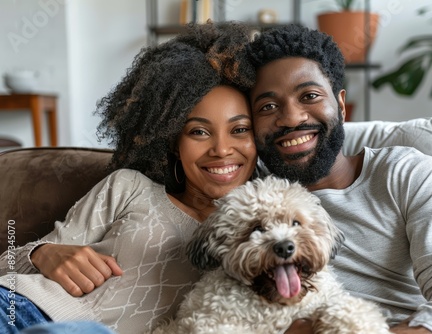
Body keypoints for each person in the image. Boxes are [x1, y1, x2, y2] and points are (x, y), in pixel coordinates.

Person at [237, 24, 432, 334]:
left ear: (341, 105)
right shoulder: (245, 197)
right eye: (268, 106)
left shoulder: (408, 174)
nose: (292, 118)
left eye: (309, 95)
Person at [0, 22, 258, 333]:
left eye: (240, 130)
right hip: (17, 308)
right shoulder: (129, 187)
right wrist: (43, 253)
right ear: (173, 142)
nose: (221, 149)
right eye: (198, 132)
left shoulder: (263, 235)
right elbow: (8, 265)